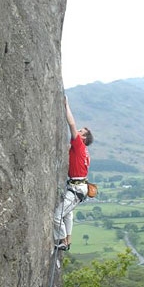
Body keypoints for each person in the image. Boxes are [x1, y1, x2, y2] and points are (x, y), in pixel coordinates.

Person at [54, 96, 94, 250]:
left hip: (77, 188)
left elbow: (71, 123)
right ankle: (68, 240)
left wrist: (66, 105)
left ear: (83, 138)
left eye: (81, 132)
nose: (77, 132)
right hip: (80, 187)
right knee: (68, 214)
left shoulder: (78, 145)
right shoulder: (85, 152)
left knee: (57, 216)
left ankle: (62, 241)